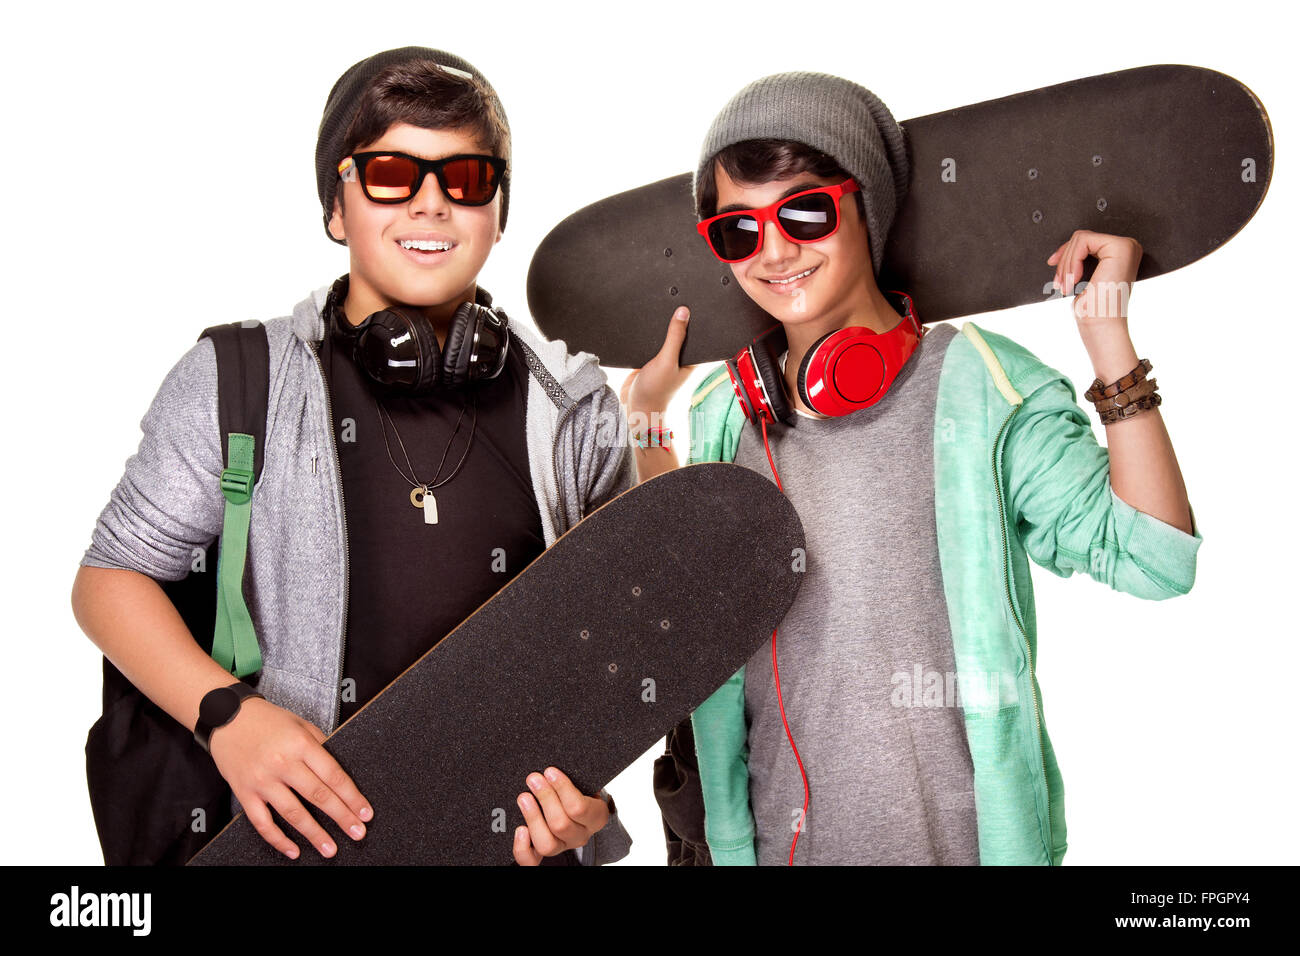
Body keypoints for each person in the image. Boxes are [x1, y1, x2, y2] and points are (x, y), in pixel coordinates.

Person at [72, 47, 633, 866]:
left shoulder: (575, 407)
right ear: (338, 208)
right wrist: (227, 716)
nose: (432, 204)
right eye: (391, 174)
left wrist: (590, 808)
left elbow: (613, 649)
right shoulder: (240, 378)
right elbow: (108, 580)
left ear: (499, 209)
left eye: (466, 179)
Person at [624, 72, 1202, 865]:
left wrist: (1108, 341)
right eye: (738, 231)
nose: (776, 251)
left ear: (868, 210)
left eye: (805, 212)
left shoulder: (984, 387)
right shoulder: (726, 412)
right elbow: (677, 615)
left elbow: (1154, 559)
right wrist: (646, 419)